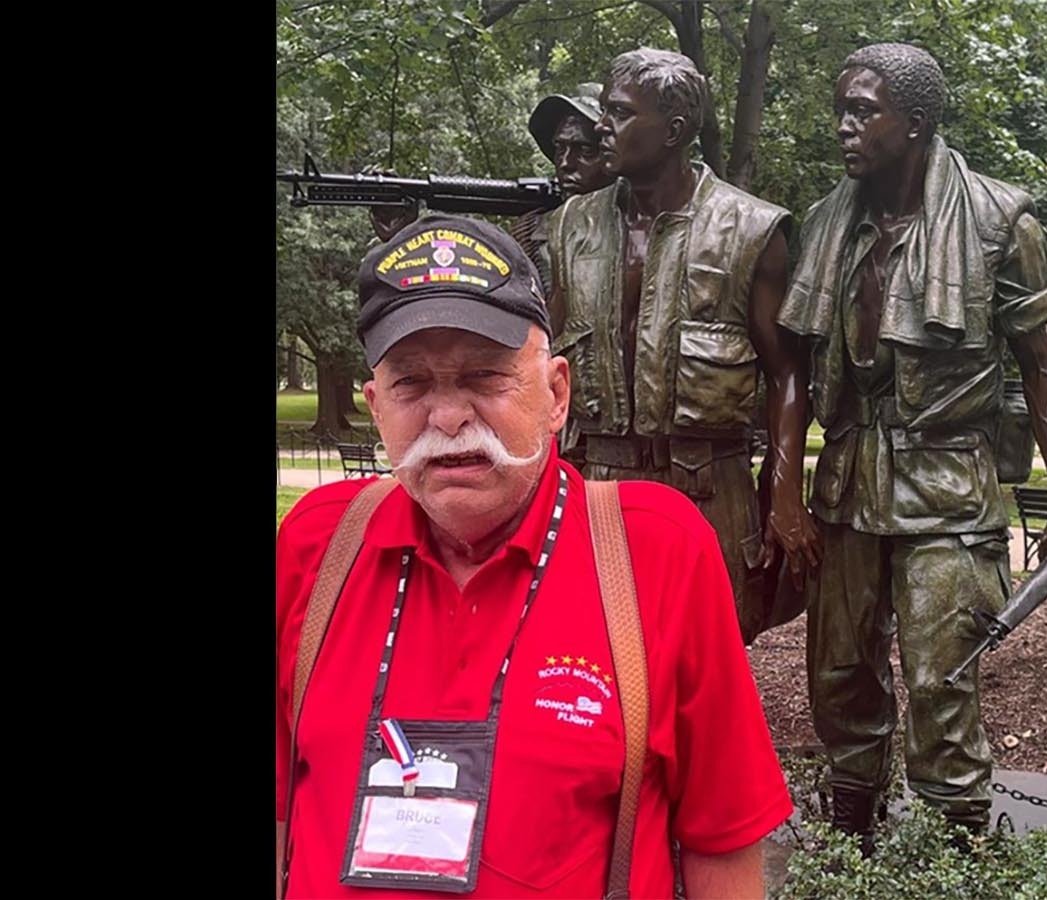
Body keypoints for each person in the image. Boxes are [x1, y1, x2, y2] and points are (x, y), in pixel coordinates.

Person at [275, 213, 792, 898]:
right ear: (375, 405)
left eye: (485, 378)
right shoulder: (318, 544)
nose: (449, 416)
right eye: (412, 384)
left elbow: (722, 841)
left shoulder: (655, 551)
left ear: (555, 394)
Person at [777, 42, 1047, 846]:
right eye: (840, 110)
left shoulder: (999, 220)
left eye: (864, 111)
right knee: (840, 677)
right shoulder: (825, 223)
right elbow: (792, 365)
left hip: (948, 491)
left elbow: (1043, 367)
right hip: (848, 484)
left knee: (939, 680)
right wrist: (783, 488)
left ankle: (955, 855)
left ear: (916, 123)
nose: (844, 127)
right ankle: (852, 841)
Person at [547, 48, 819, 646]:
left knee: (706, 662)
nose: (600, 127)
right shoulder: (572, 225)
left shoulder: (752, 230)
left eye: (618, 113)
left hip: (709, 488)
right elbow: (553, 373)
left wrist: (784, 496)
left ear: (673, 131)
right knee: (597, 658)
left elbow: (788, 376)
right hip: (599, 485)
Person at [370, 83, 616, 294]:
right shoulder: (531, 231)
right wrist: (401, 238)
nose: (565, 163)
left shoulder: (640, 226)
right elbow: (478, 293)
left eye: (585, 151)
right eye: (560, 149)